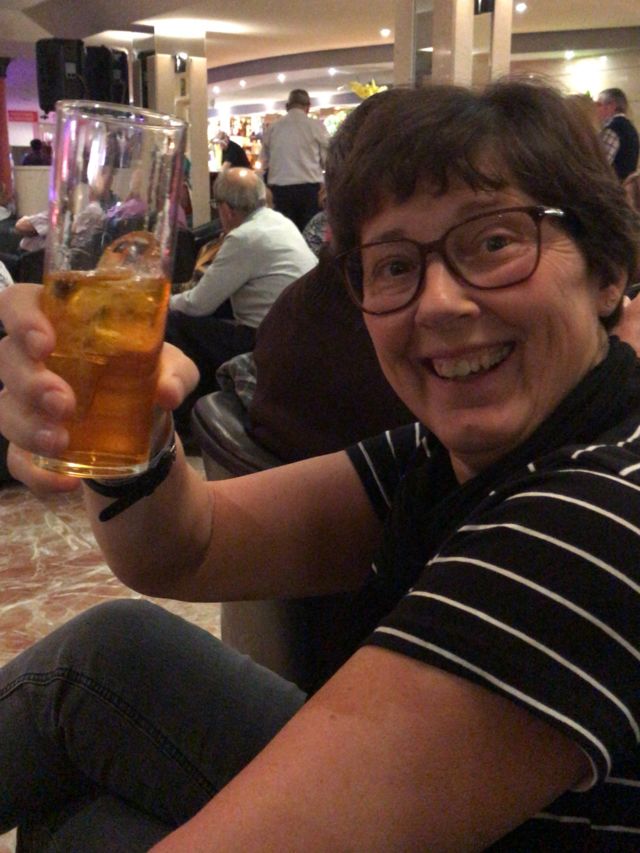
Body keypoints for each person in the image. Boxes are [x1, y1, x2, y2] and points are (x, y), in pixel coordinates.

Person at [2, 78, 640, 851]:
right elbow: (190, 544)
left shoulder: (597, 517)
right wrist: (128, 426)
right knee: (103, 658)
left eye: (495, 242)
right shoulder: (455, 453)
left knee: (84, 833)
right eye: (395, 265)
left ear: (608, 269)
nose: (440, 301)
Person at [166, 164, 317, 436]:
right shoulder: (280, 222)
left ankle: (185, 422)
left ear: (225, 210)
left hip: (264, 339)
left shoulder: (243, 237)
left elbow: (197, 304)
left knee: (173, 323)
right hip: (297, 334)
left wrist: (162, 302)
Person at [247, 246, 413, 460]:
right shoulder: (367, 317)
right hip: (311, 455)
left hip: (272, 431)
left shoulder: (316, 286)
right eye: (397, 269)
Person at [261, 88, 330, 231]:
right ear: (308, 107)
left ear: (287, 106)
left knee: (284, 234)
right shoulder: (316, 126)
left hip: (279, 191)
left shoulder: (273, 128)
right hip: (309, 190)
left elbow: (264, 162)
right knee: (309, 233)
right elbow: (328, 160)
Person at [596, 87, 640, 181]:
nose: (596, 109)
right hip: (627, 185)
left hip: (613, 185)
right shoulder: (630, 127)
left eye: (599, 104)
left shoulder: (614, 129)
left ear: (611, 106)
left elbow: (601, 165)